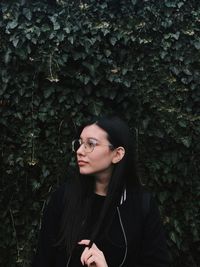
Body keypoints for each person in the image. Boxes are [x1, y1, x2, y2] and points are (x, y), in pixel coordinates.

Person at [32, 115, 170, 267]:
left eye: (90, 144)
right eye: (79, 143)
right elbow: (42, 260)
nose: (79, 151)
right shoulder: (63, 197)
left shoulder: (141, 205)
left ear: (117, 154)